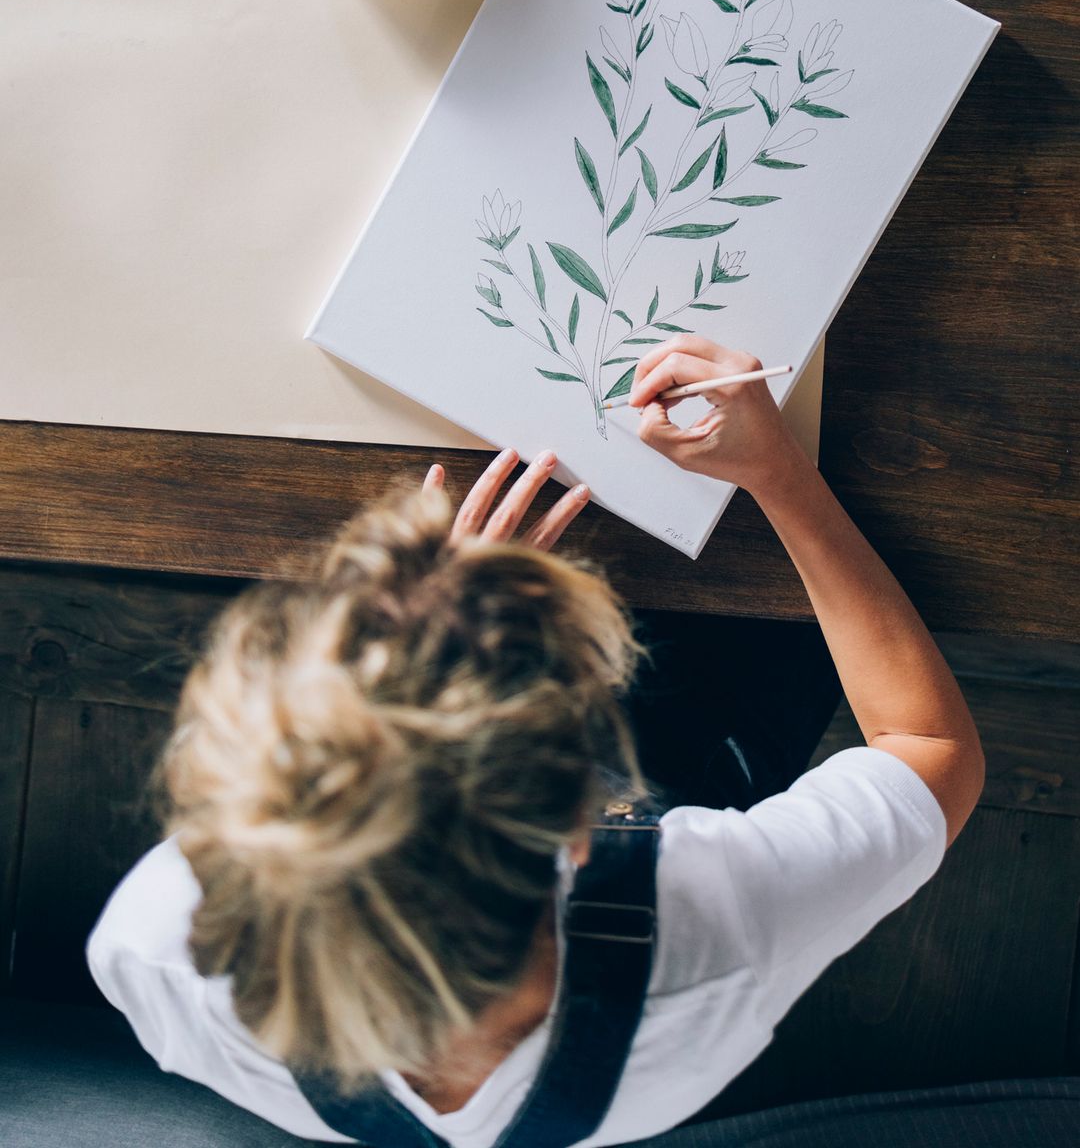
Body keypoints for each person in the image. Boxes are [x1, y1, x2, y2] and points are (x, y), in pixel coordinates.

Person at [88, 339, 984, 1146]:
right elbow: (928, 743)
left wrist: (419, 633)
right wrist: (779, 472)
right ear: (589, 822)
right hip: (702, 755)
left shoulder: (157, 950)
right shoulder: (715, 930)